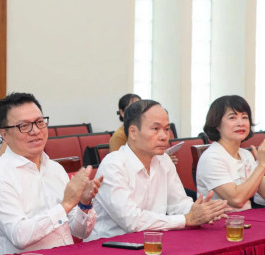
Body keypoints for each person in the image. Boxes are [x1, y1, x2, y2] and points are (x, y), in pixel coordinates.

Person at [0, 92, 103, 255]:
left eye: (39, 122)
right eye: (24, 126)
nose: (36, 131)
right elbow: (20, 236)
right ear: (4, 134)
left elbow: (80, 232)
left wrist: (84, 204)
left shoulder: (55, 169)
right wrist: (66, 204)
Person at [88, 100, 227, 240]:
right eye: (155, 129)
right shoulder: (113, 165)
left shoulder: (163, 160)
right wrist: (187, 219)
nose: (164, 136)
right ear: (133, 132)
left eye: (166, 129)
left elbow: (178, 203)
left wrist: (200, 211)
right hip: (109, 245)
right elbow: (131, 221)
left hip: (150, 240)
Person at [196, 95, 265, 210]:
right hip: (220, 219)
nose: (241, 123)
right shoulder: (212, 158)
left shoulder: (246, 155)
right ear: (217, 124)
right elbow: (236, 200)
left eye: (245, 117)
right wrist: (262, 165)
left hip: (245, 218)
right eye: (232, 118)